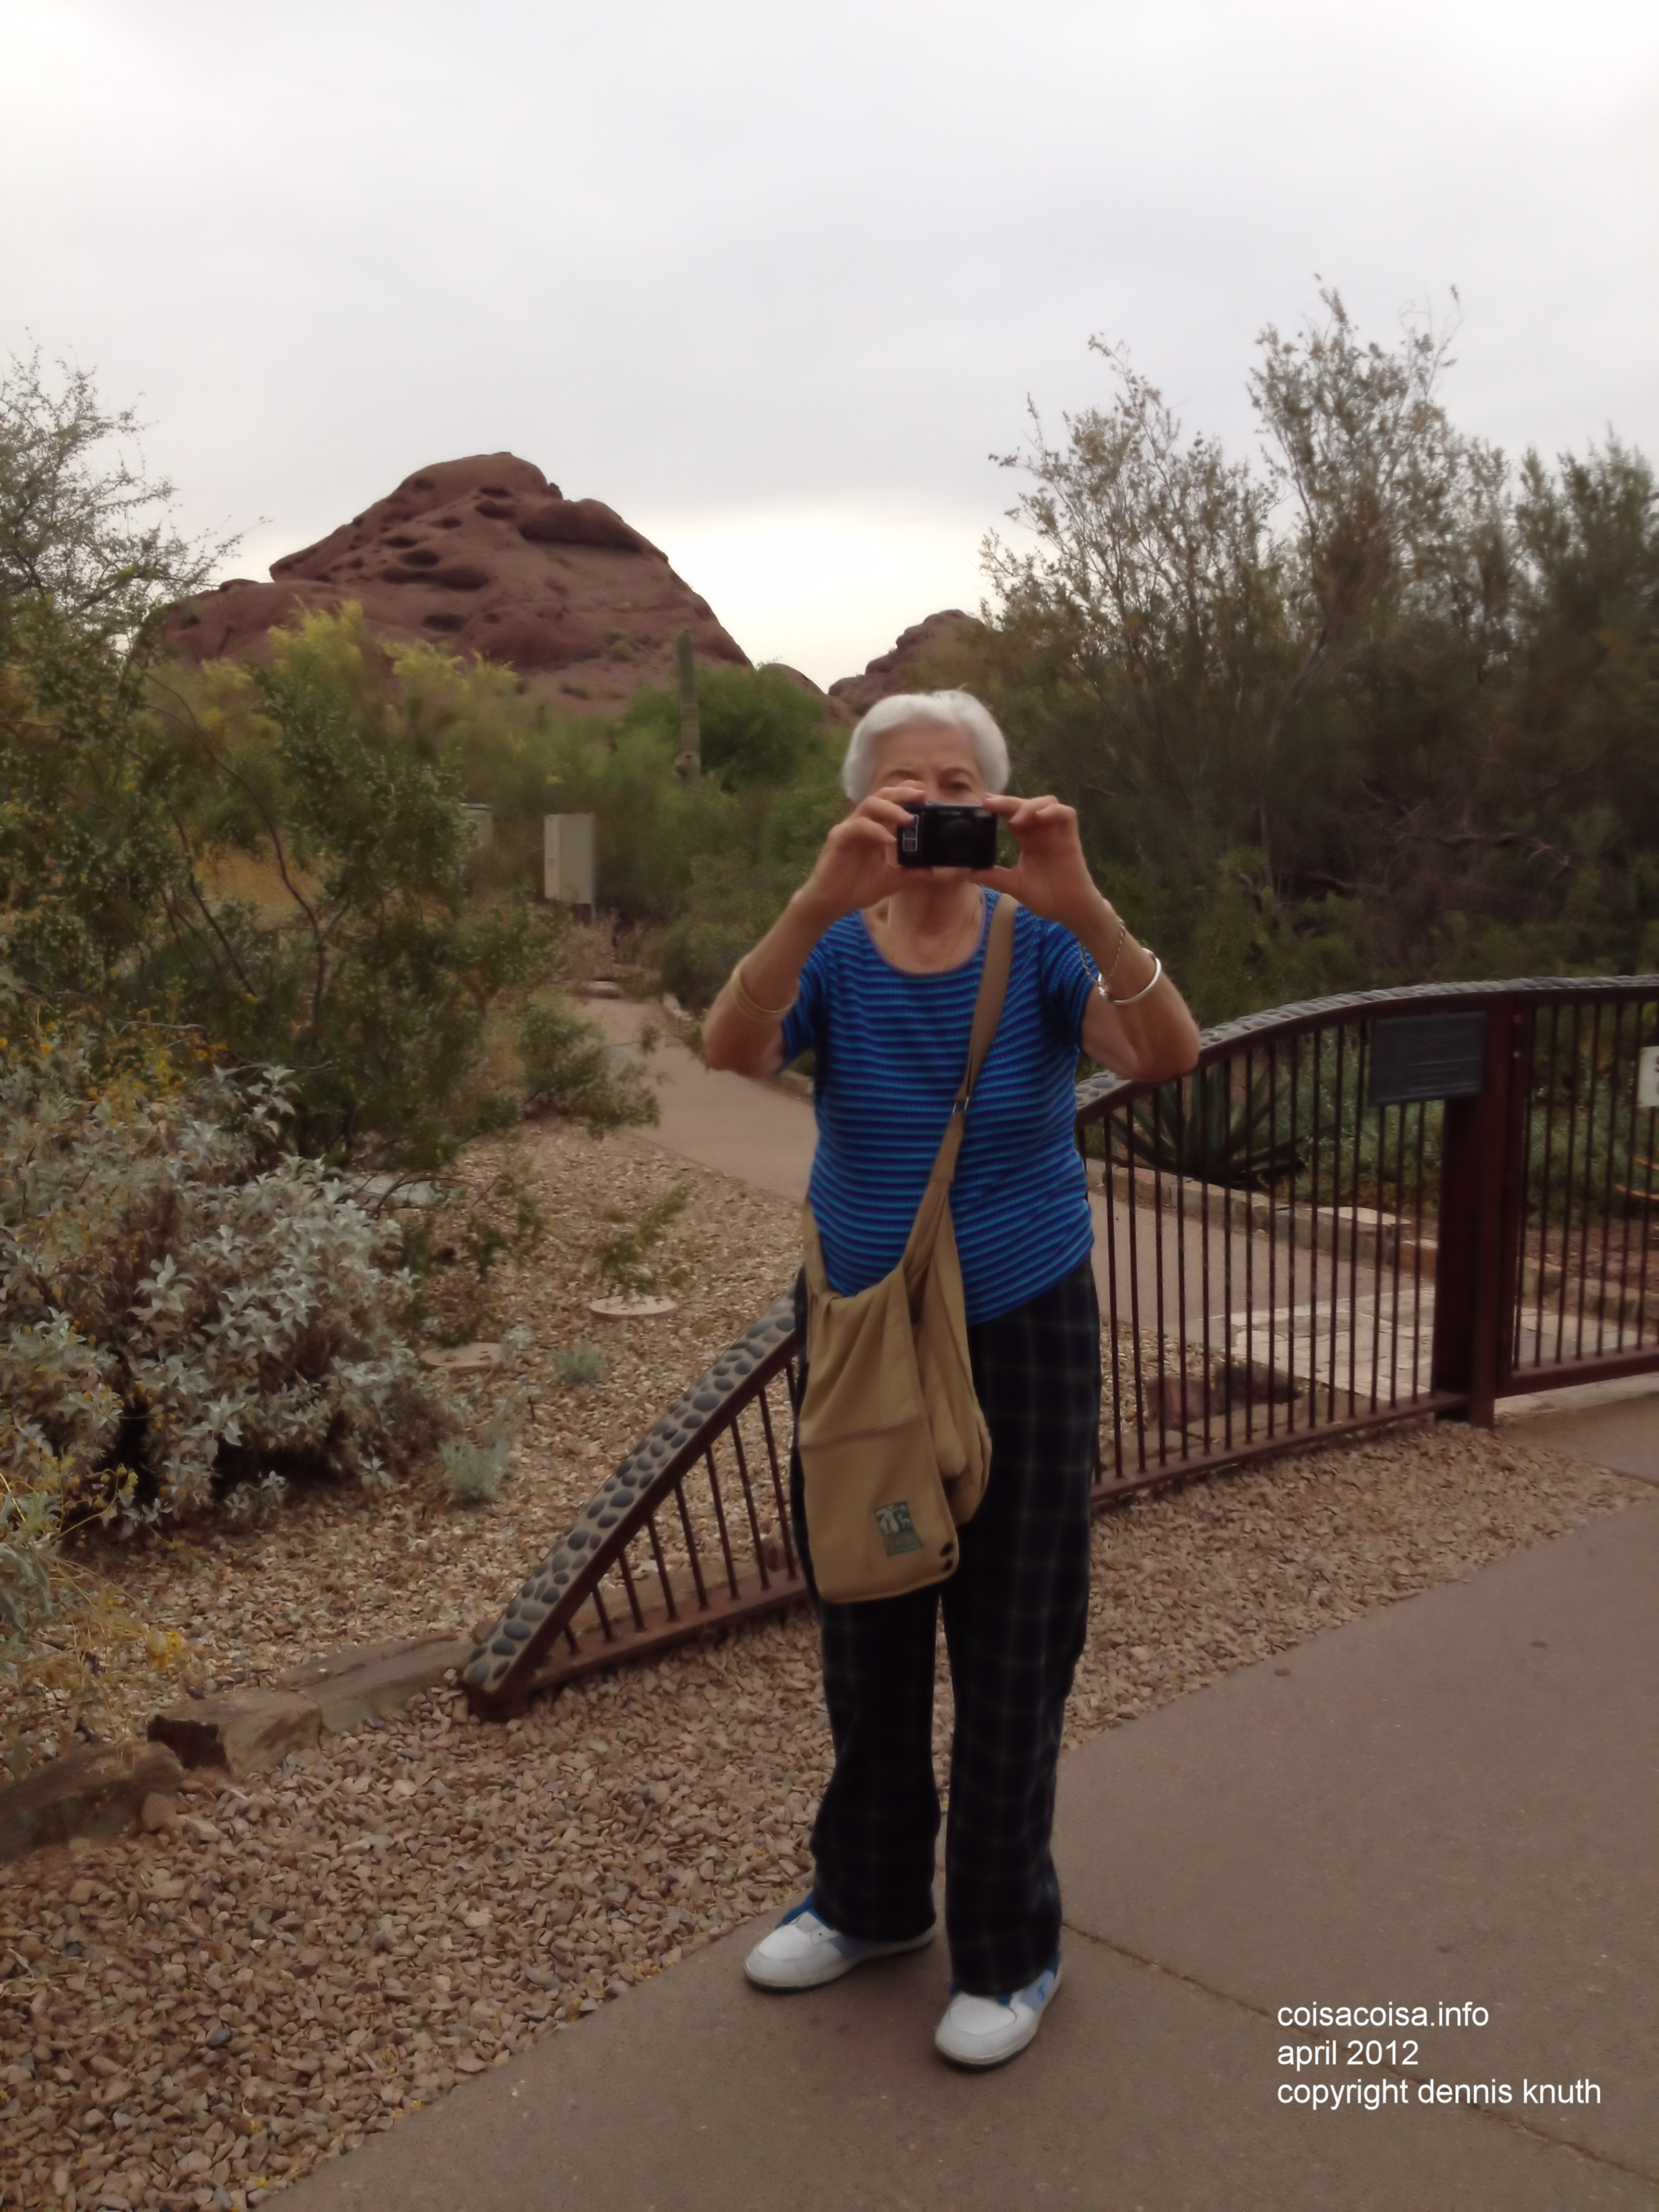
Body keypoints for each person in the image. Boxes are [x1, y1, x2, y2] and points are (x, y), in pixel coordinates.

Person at [701, 690, 1200, 2067]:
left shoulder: (1037, 944)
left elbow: (1166, 1055)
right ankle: (868, 1903)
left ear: (1000, 802)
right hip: (863, 1331)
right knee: (866, 1615)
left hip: (1022, 1322)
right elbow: (731, 1052)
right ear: (871, 805)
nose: (938, 803)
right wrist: (814, 902)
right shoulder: (839, 957)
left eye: (962, 782)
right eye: (911, 786)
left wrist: (1086, 901)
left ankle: (1007, 1946)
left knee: (1013, 1641)